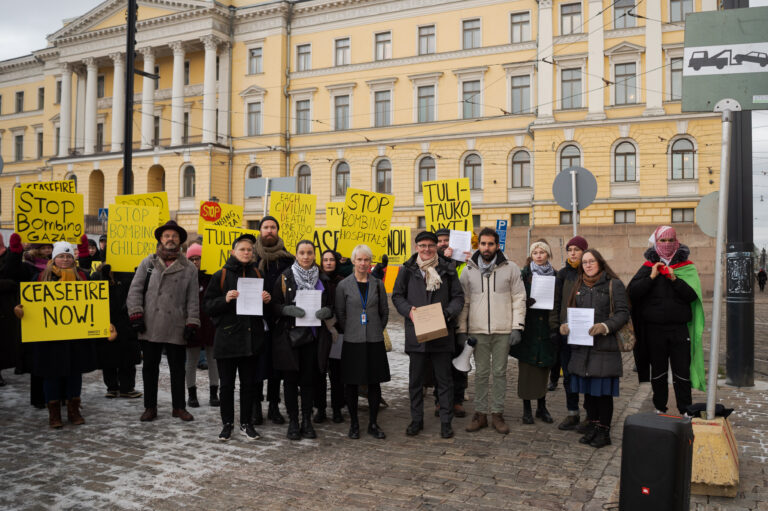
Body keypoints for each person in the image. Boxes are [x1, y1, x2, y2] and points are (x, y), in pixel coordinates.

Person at [15, 241, 98, 428]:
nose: (65, 260)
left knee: (74, 374)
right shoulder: (40, 278)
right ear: (54, 258)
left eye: (69, 256)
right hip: (49, 338)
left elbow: (94, 303)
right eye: (61, 256)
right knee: (51, 374)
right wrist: (20, 309)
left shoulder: (83, 277)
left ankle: (73, 410)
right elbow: (27, 303)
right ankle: (54, 413)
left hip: (75, 336)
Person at [392, 231, 464, 439]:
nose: (426, 249)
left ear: (436, 248)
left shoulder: (447, 269)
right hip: (416, 333)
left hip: (441, 333)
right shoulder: (407, 270)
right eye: (422, 246)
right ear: (417, 247)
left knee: (444, 381)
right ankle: (416, 420)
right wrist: (409, 311)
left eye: (430, 246)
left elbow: (458, 297)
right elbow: (397, 296)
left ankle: (445, 422)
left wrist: (447, 313)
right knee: (416, 381)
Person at [627, 226, 705, 416]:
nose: (667, 244)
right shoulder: (647, 267)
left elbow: (692, 296)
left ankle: (685, 409)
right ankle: (659, 407)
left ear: (676, 241)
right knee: (659, 372)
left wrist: (674, 279)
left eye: (671, 240)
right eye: (663, 240)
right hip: (654, 330)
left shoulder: (686, 267)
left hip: (679, 329)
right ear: (656, 242)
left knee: (681, 372)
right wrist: (652, 277)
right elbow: (632, 292)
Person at [127, 220, 200, 423]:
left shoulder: (189, 268)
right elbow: (135, 290)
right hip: (150, 323)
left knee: (178, 368)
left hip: (177, 324)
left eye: (174, 236)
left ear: (180, 241)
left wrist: (192, 322)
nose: (170, 239)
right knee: (150, 367)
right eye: (167, 236)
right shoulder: (148, 263)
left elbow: (193, 299)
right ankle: (150, 407)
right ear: (160, 239)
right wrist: (136, 315)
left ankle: (179, 407)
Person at [457, 227, 526, 434]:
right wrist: (461, 329)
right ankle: (480, 414)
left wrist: (517, 327)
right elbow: (464, 302)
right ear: (478, 245)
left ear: (497, 245)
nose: (486, 248)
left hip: (503, 330)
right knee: (481, 374)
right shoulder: (468, 270)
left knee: (499, 373)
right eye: (483, 244)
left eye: (490, 244)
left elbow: (519, 298)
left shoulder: (510, 268)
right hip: (477, 331)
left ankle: (497, 413)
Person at [560, 249, 629, 448]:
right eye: (585, 262)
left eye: (591, 261)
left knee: (603, 393)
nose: (588, 265)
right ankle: (594, 426)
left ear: (600, 263)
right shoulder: (579, 285)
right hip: (583, 348)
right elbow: (570, 312)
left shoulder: (613, 284)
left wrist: (605, 326)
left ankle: (604, 431)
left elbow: (623, 313)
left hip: (604, 347)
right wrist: (565, 325)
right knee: (588, 392)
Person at [204, 233, 270, 442]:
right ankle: (227, 424)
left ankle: (246, 424)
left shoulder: (258, 274)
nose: (246, 252)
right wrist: (225, 299)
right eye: (242, 249)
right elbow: (208, 307)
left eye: (250, 250)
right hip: (227, 339)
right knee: (226, 386)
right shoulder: (221, 274)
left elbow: (264, 310)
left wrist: (266, 299)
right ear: (233, 252)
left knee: (249, 385)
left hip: (250, 340)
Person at [271, 240, 333, 440]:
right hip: (290, 338)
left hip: (313, 338)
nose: (306, 256)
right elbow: (273, 305)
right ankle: (293, 422)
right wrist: (285, 309)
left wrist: (327, 311)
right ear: (296, 255)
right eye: (302, 253)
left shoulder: (321, 278)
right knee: (290, 382)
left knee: (308, 382)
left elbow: (330, 303)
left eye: (309, 253)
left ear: (314, 255)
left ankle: (307, 420)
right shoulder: (285, 277)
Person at [335, 244, 391, 439]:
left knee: (374, 383)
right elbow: (340, 314)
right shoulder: (343, 285)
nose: (363, 263)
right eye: (359, 259)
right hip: (353, 340)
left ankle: (373, 423)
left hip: (374, 339)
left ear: (370, 262)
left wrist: (376, 327)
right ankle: (355, 424)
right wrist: (352, 328)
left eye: (366, 260)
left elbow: (384, 311)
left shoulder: (378, 284)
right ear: (353, 261)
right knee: (352, 383)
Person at [509, 240, 558, 425]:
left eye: (542, 252)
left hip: (546, 328)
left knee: (543, 368)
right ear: (531, 255)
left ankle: (542, 407)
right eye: (535, 252)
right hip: (528, 329)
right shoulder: (523, 274)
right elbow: (513, 296)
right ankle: (527, 408)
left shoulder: (555, 275)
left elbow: (558, 300)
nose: (539, 255)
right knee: (527, 371)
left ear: (548, 255)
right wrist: (524, 303)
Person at [252, 215, 294, 426]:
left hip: (279, 322)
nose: (269, 230)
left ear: (278, 231)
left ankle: (274, 407)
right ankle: (255, 407)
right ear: (260, 231)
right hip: (256, 322)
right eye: (266, 227)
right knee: (258, 367)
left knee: (277, 368)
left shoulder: (288, 259)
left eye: (273, 227)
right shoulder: (250, 257)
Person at [549, 235, 588, 431]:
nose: (573, 253)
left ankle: (591, 414)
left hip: (587, 333)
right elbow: (555, 302)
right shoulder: (563, 274)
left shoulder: (591, 271)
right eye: (570, 249)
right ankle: (572, 412)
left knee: (588, 374)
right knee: (569, 375)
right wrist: (555, 327)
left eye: (577, 249)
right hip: (566, 331)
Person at [433, 227, 470, 418]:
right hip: (439, 319)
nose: (443, 243)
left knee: (460, 362)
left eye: (446, 240)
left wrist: (470, 260)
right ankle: (440, 400)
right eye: (439, 241)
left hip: (461, 321)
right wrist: (446, 261)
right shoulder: (433, 262)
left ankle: (457, 400)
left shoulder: (465, 262)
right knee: (440, 363)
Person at [91, 264, 142, 399]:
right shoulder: (97, 276)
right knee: (108, 356)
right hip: (106, 320)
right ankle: (112, 387)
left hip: (126, 321)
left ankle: (127, 387)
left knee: (128, 356)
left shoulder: (129, 274)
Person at [184, 242, 220, 408]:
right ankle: (192, 394)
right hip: (193, 325)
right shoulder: (186, 278)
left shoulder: (212, 278)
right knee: (191, 361)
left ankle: (214, 393)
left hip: (211, 325)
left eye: (198, 258)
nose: (195, 262)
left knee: (213, 361)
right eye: (192, 259)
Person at [314, 249, 346, 423]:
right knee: (319, 372)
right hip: (320, 331)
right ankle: (320, 408)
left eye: (331, 260)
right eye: (325, 260)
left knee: (337, 374)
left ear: (336, 262)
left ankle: (337, 408)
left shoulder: (343, 281)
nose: (328, 263)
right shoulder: (316, 280)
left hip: (338, 332)